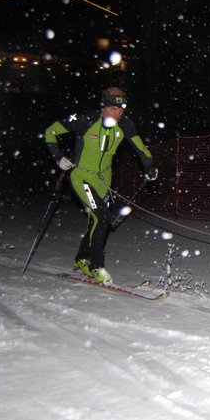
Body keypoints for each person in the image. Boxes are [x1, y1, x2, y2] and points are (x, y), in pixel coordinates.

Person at [44, 87, 157, 284]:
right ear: (103, 107)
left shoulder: (126, 124)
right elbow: (50, 131)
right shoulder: (85, 120)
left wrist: (149, 166)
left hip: (104, 180)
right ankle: (97, 266)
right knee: (102, 216)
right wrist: (59, 157)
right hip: (81, 177)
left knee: (96, 221)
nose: (118, 113)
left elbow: (140, 147)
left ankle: (81, 259)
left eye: (121, 109)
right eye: (114, 109)